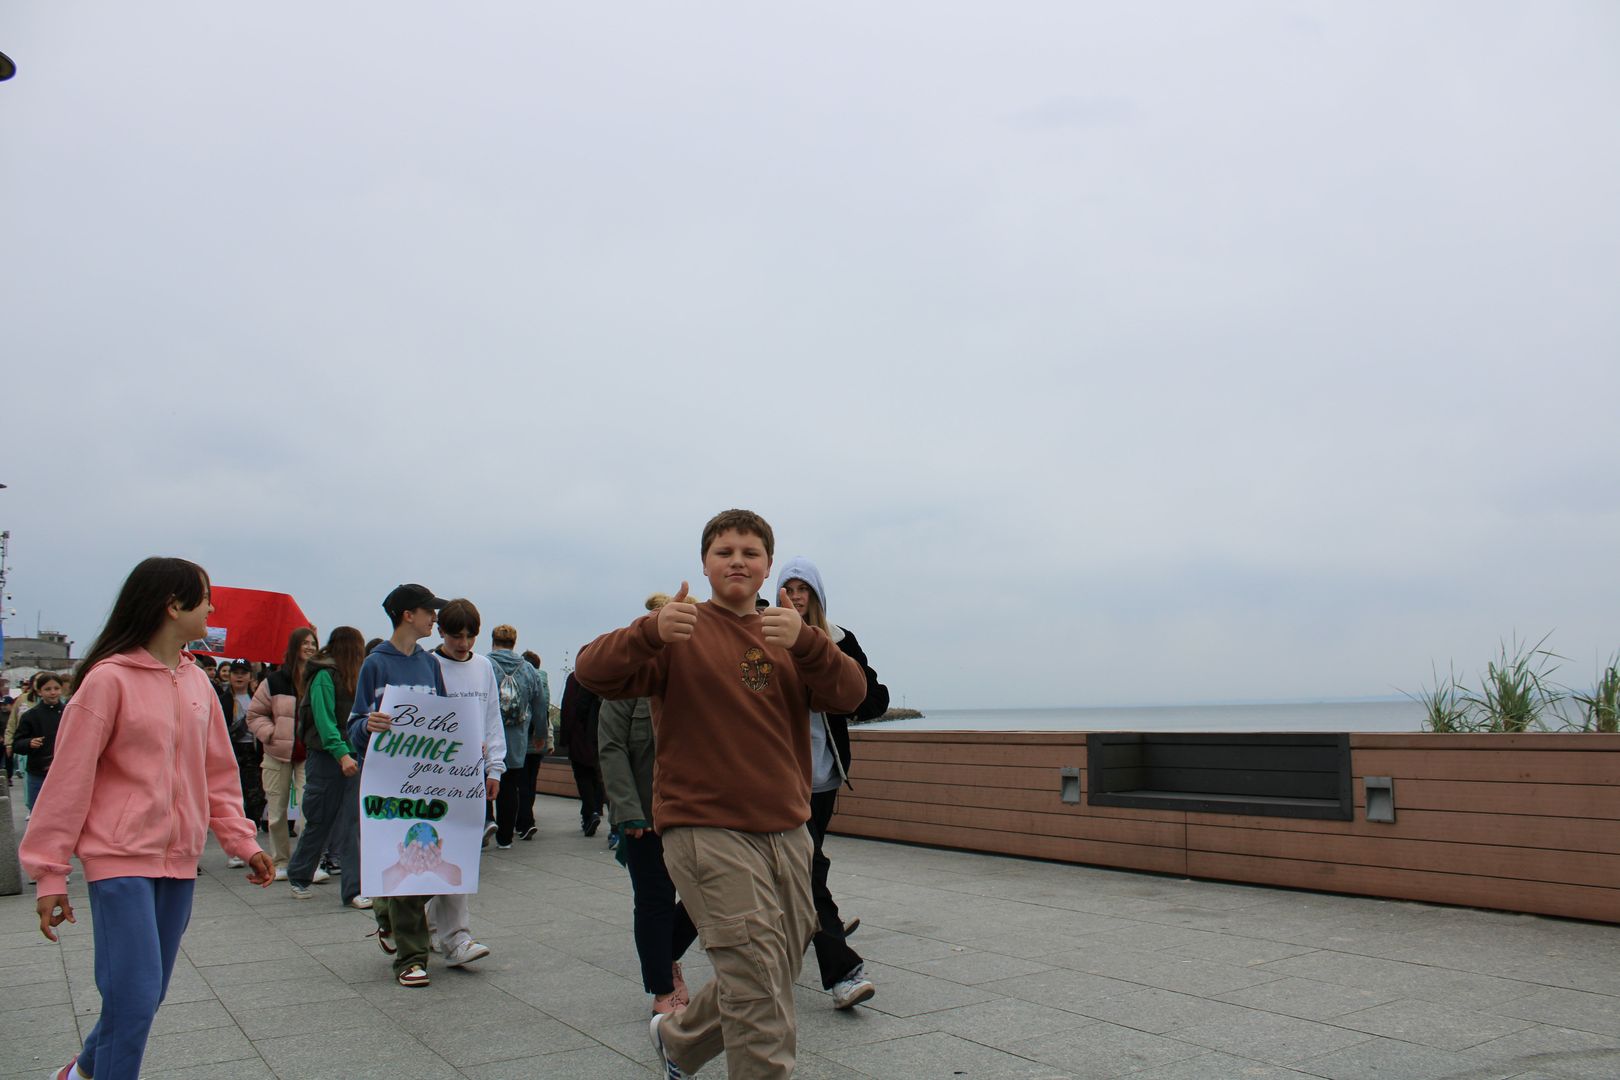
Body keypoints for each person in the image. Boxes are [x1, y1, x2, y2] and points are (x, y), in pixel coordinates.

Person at [577, 509, 867, 1080]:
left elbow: (852, 694)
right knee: (759, 982)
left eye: (750, 552)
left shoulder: (788, 633)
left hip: (787, 828)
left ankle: (679, 1043)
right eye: (724, 551)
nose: (737, 561)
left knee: (772, 969)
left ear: (767, 567)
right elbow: (592, 672)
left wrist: (808, 644)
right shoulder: (679, 629)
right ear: (705, 563)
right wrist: (650, 631)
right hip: (704, 827)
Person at [21, 557, 274, 1080]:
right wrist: (49, 872)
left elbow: (218, 773)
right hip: (118, 860)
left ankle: (79, 1073)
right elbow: (68, 781)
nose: (212, 608)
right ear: (172, 605)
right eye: (205, 597)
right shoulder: (107, 680)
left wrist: (241, 841)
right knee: (134, 997)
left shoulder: (199, 683)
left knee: (145, 996)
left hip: (180, 861)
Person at [776, 556, 890, 1010]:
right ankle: (841, 969)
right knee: (808, 867)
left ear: (817, 595)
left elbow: (875, 698)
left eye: (803, 589)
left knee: (805, 865)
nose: (796, 597)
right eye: (789, 589)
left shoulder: (840, 639)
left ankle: (807, 923)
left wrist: (835, 686)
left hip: (824, 776)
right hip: (779, 776)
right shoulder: (767, 634)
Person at [598, 591, 699, 1017]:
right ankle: (663, 983)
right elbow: (612, 748)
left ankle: (664, 954)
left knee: (704, 898)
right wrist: (627, 811)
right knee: (655, 900)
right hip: (645, 814)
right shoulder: (629, 681)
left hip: (695, 812)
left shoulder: (695, 676)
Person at [347, 584, 449, 988]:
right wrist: (366, 726)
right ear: (408, 614)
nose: (434, 618)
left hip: (426, 780)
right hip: (386, 781)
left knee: (425, 865)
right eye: (429, 611)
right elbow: (355, 724)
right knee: (409, 865)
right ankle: (411, 958)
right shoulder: (375, 664)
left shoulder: (431, 665)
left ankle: (386, 912)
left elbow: (445, 718)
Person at [425, 598, 502, 968]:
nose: (464, 643)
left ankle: (456, 936)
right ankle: (427, 926)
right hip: (430, 774)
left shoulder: (484, 666)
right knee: (429, 850)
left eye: (470, 636)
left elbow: (492, 717)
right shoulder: (427, 664)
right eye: (456, 636)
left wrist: (495, 768)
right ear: (441, 632)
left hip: (470, 774)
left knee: (457, 853)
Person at [287, 626, 368, 908]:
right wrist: (341, 753)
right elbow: (324, 721)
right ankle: (299, 875)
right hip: (326, 757)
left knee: (352, 823)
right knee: (320, 819)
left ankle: (354, 889)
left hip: (351, 755)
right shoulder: (324, 675)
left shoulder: (354, 676)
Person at [248, 627, 317, 879]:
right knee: (276, 812)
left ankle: (307, 863)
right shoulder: (274, 680)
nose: (310, 647)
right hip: (277, 754)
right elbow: (254, 715)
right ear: (295, 646)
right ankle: (280, 861)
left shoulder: (318, 678)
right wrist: (272, 734)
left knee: (309, 811)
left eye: (313, 643)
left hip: (309, 753)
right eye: (305, 642)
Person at [487, 624, 550, 847]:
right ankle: (505, 837)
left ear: (493, 641)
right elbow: (540, 704)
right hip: (516, 737)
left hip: (487, 736)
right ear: (514, 643)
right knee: (510, 786)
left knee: (484, 781)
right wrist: (540, 733)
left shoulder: (485, 664)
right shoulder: (528, 669)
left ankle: (487, 821)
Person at [222, 660, 266, 863]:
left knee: (255, 797)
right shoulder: (223, 699)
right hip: (230, 751)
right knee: (232, 801)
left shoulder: (257, 698)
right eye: (235, 672)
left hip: (253, 752)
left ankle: (249, 842)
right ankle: (234, 847)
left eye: (244, 672)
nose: (239, 676)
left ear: (250, 676)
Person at [557, 670, 605, 836]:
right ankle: (595, 809)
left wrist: (565, 738)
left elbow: (568, 707)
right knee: (597, 774)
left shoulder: (576, 678)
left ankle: (590, 814)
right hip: (601, 733)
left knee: (582, 774)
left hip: (580, 735)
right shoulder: (603, 676)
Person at [12, 671, 66, 812]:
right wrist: (29, 743)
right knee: (37, 811)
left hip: (65, 773)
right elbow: (17, 744)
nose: (53, 692)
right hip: (38, 773)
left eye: (56, 688)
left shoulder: (69, 713)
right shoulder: (30, 716)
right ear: (39, 691)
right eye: (47, 689)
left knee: (63, 813)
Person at [516, 649, 552, 840]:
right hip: (538, 739)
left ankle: (524, 821)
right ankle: (527, 818)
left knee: (520, 783)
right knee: (531, 781)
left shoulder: (522, 679)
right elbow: (544, 711)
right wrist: (544, 736)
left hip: (522, 738)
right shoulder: (544, 682)